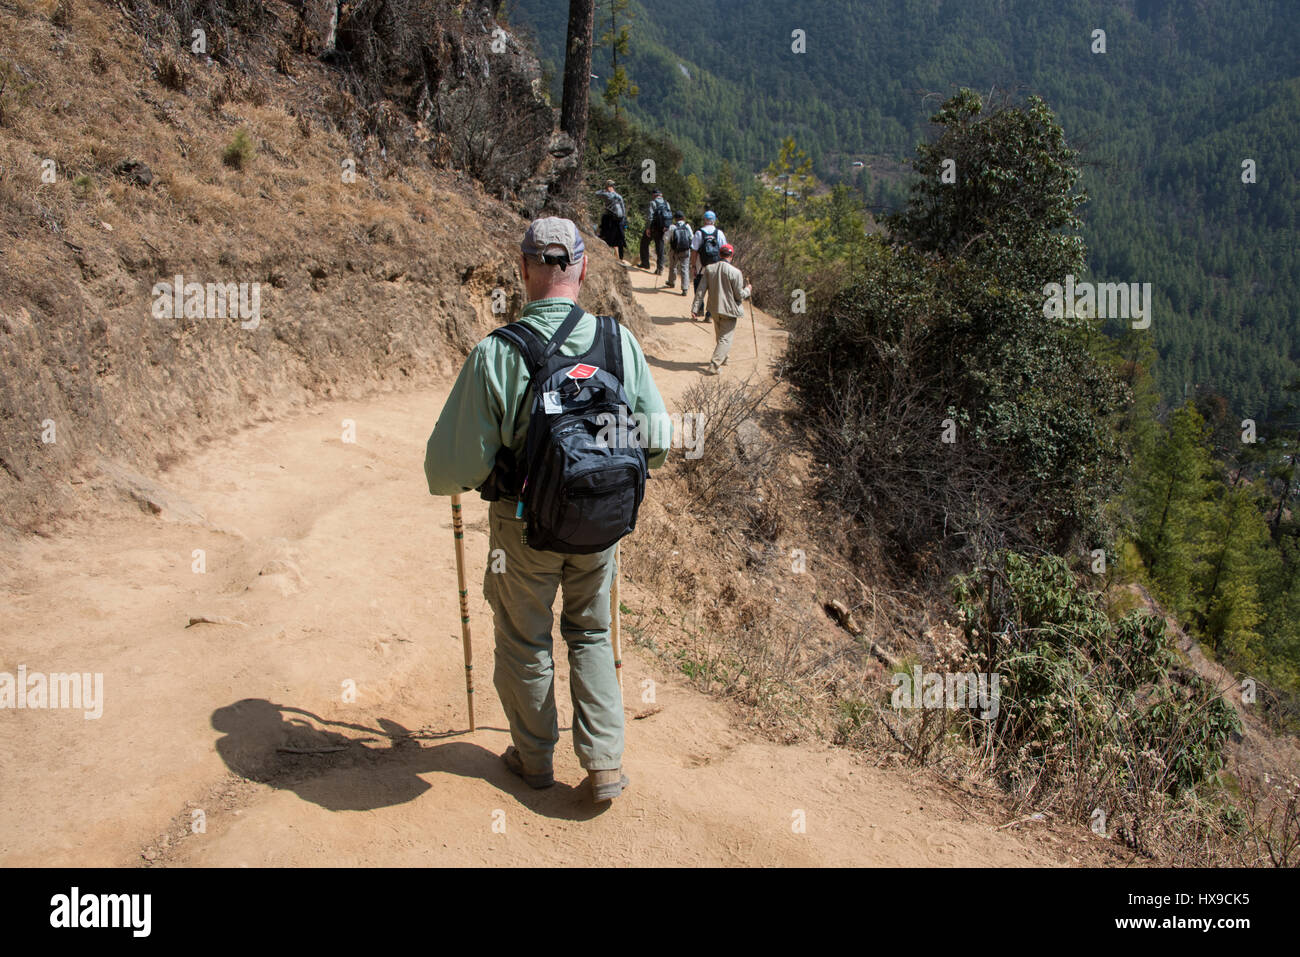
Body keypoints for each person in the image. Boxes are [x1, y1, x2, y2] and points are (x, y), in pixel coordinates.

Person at [424, 217, 670, 803]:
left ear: (523, 270)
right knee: (590, 632)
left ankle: (533, 759)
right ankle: (604, 763)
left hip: (523, 529)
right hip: (601, 529)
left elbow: (446, 470)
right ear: (583, 269)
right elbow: (656, 443)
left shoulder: (498, 353)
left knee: (523, 637)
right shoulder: (619, 341)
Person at [697, 243, 751, 375]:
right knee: (725, 338)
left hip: (714, 309)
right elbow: (739, 295)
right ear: (731, 256)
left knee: (720, 335)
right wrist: (748, 290)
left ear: (719, 254)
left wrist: (695, 308)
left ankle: (724, 357)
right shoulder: (736, 272)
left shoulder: (709, 269)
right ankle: (714, 365)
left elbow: (701, 290)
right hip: (730, 310)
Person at [690, 211, 727, 320]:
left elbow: (694, 251)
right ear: (714, 220)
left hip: (701, 267)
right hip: (715, 268)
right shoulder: (719, 233)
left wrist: (693, 266)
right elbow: (724, 250)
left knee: (698, 289)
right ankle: (709, 314)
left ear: (704, 220)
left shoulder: (699, 233)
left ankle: (698, 310)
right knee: (713, 291)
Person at [595, 181, 627, 261]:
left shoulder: (607, 195)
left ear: (607, 186)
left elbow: (596, 193)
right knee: (619, 238)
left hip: (610, 219)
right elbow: (623, 209)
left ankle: (607, 255)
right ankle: (621, 257)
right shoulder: (619, 196)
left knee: (607, 236)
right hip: (619, 220)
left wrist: (604, 190)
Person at [646, 189, 673, 275]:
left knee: (646, 242)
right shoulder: (666, 203)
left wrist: (648, 228)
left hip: (655, 228)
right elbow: (669, 215)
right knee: (660, 247)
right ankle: (660, 267)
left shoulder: (652, 203)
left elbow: (650, 217)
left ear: (654, 195)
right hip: (664, 228)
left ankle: (652, 266)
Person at [666, 210, 693, 296]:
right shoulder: (687, 226)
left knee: (673, 266)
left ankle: (671, 282)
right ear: (683, 218)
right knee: (684, 268)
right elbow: (691, 237)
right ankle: (685, 288)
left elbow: (666, 239)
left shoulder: (672, 227)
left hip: (675, 251)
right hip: (685, 250)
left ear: (675, 219)